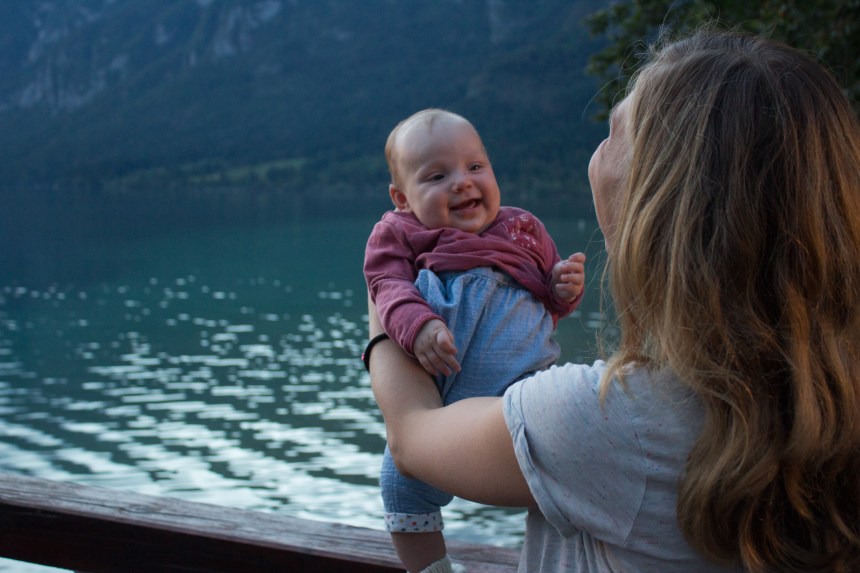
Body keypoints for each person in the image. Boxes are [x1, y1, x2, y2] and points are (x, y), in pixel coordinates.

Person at [366, 30, 860, 573]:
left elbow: (412, 439)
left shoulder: (610, 420)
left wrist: (387, 289)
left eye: (612, 133)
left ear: (660, 201)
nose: (596, 156)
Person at [364, 108, 586, 573]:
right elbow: (386, 286)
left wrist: (562, 286)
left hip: (526, 389)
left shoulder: (523, 228)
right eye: (437, 176)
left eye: (475, 166)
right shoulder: (399, 232)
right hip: (443, 398)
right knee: (400, 485)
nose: (462, 182)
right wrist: (419, 326)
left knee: (565, 480)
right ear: (402, 198)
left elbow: (548, 302)